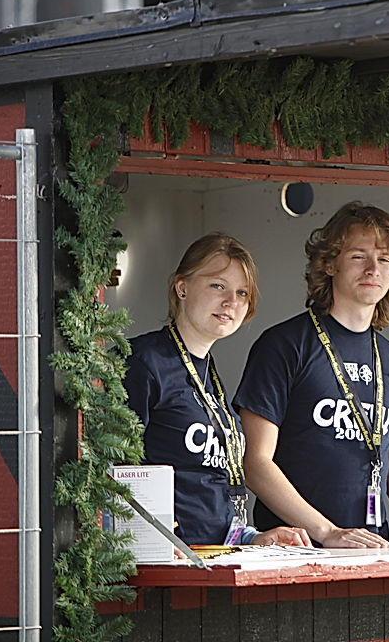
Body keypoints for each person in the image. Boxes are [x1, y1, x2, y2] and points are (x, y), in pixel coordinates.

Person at [234, 202, 389, 547]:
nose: (372, 269)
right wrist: (326, 531)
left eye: (384, 259)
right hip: (296, 551)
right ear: (330, 263)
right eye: (358, 256)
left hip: (369, 550)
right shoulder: (284, 345)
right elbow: (255, 462)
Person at [123, 233, 311, 548]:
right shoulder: (143, 361)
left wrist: (253, 538)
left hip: (213, 555)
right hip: (166, 561)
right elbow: (115, 466)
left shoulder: (209, 373)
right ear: (181, 287)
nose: (231, 302)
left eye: (242, 293)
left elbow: (205, 489)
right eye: (218, 286)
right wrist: (152, 540)